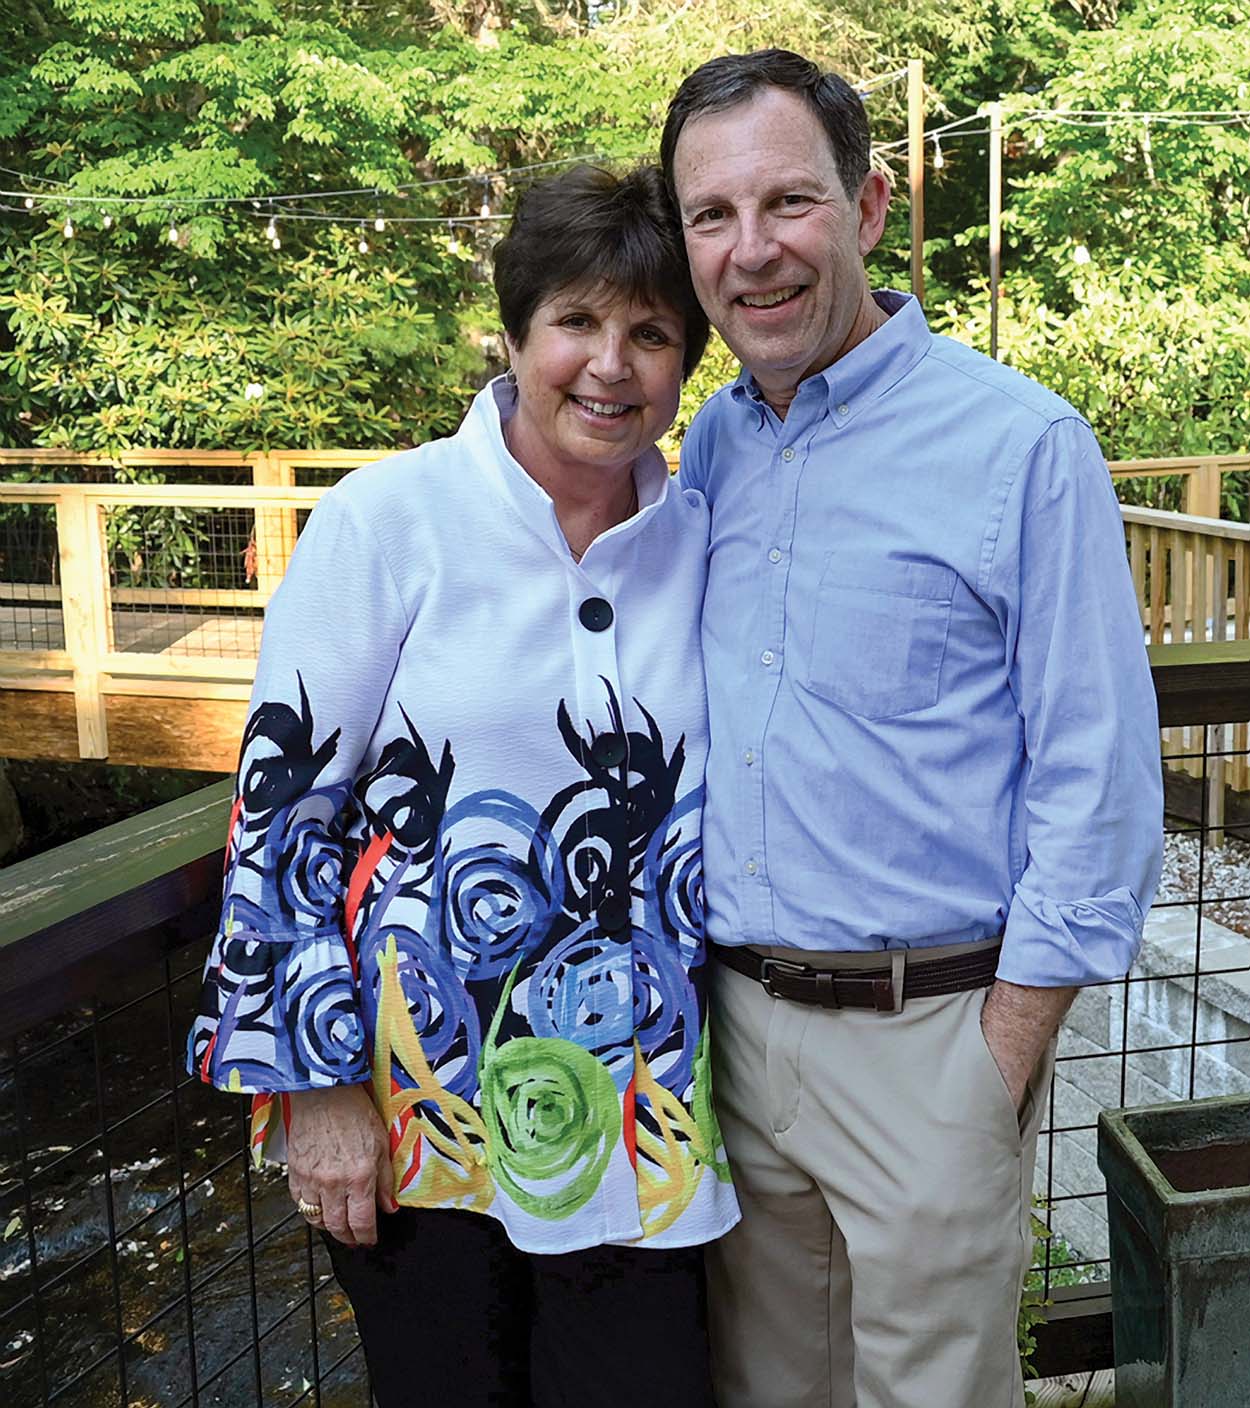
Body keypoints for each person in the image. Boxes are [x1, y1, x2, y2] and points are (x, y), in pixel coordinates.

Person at [186, 163, 738, 1408]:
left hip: (642, 1112)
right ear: (516, 332)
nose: (610, 365)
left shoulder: (703, 539)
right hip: (417, 1106)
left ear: (685, 362)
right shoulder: (390, 519)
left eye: (651, 333)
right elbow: (281, 807)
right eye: (576, 321)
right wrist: (315, 1084)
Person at [660, 49, 1163, 1408]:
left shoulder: (1019, 446)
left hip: (931, 1038)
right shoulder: (709, 447)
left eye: (788, 202)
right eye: (712, 215)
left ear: (869, 206)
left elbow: (1097, 780)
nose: (751, 250)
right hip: (732, 1035)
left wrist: (998, 1057)